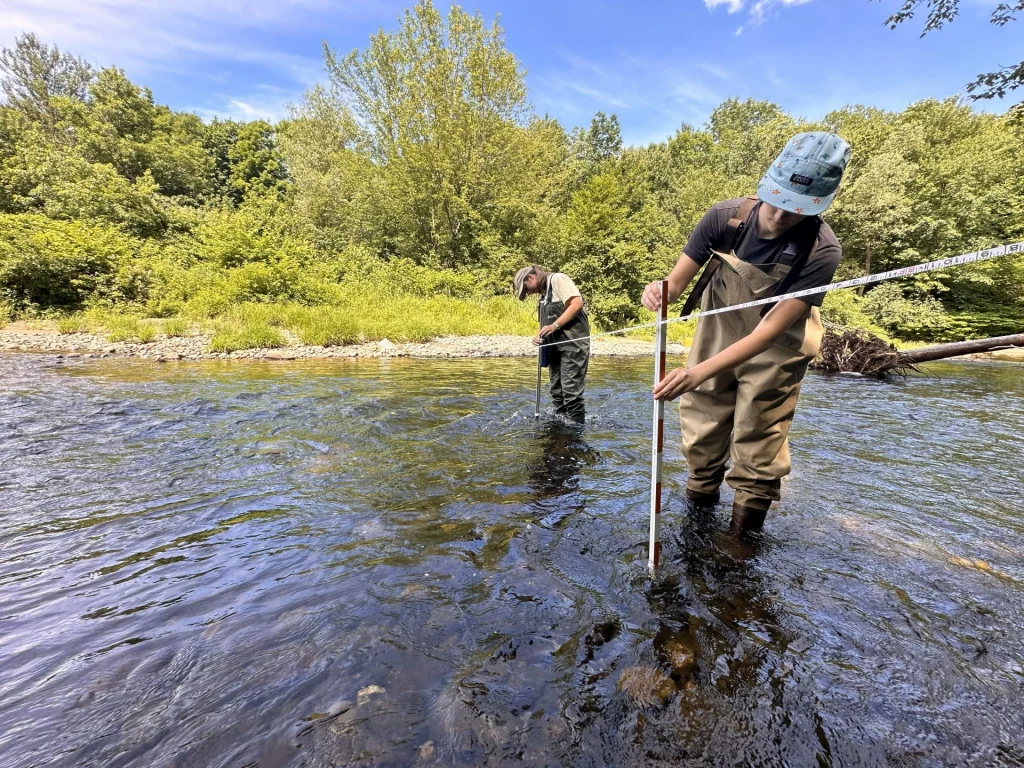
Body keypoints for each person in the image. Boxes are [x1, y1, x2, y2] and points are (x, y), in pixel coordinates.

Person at [641, 131, 851, 533]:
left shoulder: (822, 250)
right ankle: (697, 525)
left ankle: (741, 543)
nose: (780, 215)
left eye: (796, 209)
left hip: (778, 344)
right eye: (778, 199)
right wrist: (657, 291)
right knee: (701, 431)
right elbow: (674, 285)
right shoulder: (723, 218)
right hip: (717, 328)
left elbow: (770, 330)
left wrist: (697, 372)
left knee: (759, 438)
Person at [514, 266, 591, 423]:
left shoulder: (558, 279)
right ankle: (560, 430)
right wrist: (537, 337)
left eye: (526, 290)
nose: (527, 293)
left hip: (573, 344)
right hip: (553, 348)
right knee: (557, 392)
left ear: (531, 278)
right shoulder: (543, 296)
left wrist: (554, 326)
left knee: (571, 393)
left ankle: (575, 433)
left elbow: (576, 304)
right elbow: (545, 325)